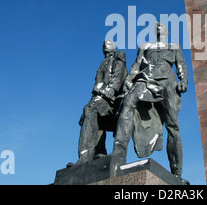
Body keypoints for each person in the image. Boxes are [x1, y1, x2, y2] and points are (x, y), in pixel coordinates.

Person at [110, 22, 188, 183]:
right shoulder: (145, 45)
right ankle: (118, 154)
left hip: (168, 83)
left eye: (162, 26)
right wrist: (129, 80)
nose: (158, 26)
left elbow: (181, 66)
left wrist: (184, 80)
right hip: (145, 80)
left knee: (173, 125)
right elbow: (137, 65)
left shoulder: (174, 46)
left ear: (167, 31)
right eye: (156, 26)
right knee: (128, 102)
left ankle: (177, 172)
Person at [69, 40, 127, 166]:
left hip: (112, 99)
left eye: (109, 42)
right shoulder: (102, 63)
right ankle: (95, 154)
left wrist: (111, 90)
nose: (106, 43)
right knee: (90, 113)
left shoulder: (119, 55)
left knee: (90, 110)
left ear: (114, 47)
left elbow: (119, 73)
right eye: (103, 44)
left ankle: (85, 157)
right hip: (99, 99)